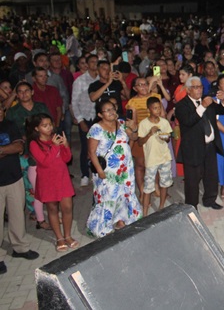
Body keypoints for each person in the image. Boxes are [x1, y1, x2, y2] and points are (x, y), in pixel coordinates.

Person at [87, 100, 142, 237]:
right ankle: (103, 226)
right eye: (107, 110)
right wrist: (99, 171)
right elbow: (91, 152)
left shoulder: (122, 124)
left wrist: (134, 127)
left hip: (125, 168)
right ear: (100, 114)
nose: (112, 112)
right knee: (108, 196)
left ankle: (121, 220)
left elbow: (134, 137)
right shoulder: (96, 128)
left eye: (113, 109)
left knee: (125, 194)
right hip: (107, 171)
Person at [175, 76, 224, 209]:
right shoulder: (181, 105)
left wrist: (223, 100)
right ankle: (192, 206)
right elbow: (188, 121)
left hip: (209, 145)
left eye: (201, 87)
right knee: (192, 180)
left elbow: (222, 110)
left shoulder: (207, 100)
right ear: (188, 90)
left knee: (211, 175)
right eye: (196, 87)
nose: (199, 90)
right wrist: (202, 106)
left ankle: (210, 199)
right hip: (193, 148)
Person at [26, 114, 77, 252]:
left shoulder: (56, 137)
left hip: (62, 177)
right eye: (45, 125)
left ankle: (67, 235)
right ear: (37, 128)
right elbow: (45, 162)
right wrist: (54, 146)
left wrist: (65, 146)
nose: (49, 128)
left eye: (50, 124)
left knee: (67, 207)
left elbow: (67, 159)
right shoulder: (34, 144)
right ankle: (59, 238)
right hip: (47, 179)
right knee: (52, 209)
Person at [0, 105, 40, 273]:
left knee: (17, 214)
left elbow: (19, 147)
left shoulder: (9, 125)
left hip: (14, 178)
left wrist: (2, 150)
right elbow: (13, 147)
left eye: (0, 108)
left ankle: (20, 248)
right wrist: (6, 150)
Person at [6, 82, 51, 230]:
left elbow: (49, 125)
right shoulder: (13, 112)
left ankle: (47, 207)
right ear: (16, 95)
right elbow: (11, 132)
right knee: (30, 183)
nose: (24, 94)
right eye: (20, 91)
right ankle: (35, 211)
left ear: (32, 92)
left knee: (46, 179)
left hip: (44, 149)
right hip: (24, 152)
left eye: (26, 91)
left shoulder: (41, 107)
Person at [137, 97, 173, 216]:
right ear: (149, 109)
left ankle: (161, 207)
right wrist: (150, 133)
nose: (157, 110)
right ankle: (145, 213)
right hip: (151, 160)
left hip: (164, 157)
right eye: (155, 108)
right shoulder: (144, 124)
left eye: (159, 108)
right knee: (147, 187)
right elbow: (140, 142)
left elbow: (168, 138)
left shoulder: (164, 122)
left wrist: (165, 137)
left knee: (164, 183)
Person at [72, 54, 99, 187]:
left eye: (96, 62)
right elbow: (74, 102)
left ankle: (96, 172)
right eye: (92, 62)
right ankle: (84, 174)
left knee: (99, 147)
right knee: (86, 147)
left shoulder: (102, 79)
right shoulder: (80, 81)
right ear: (87, 64)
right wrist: (80, 120)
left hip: (98, 117)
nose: (95, 64)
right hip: (86, 118)